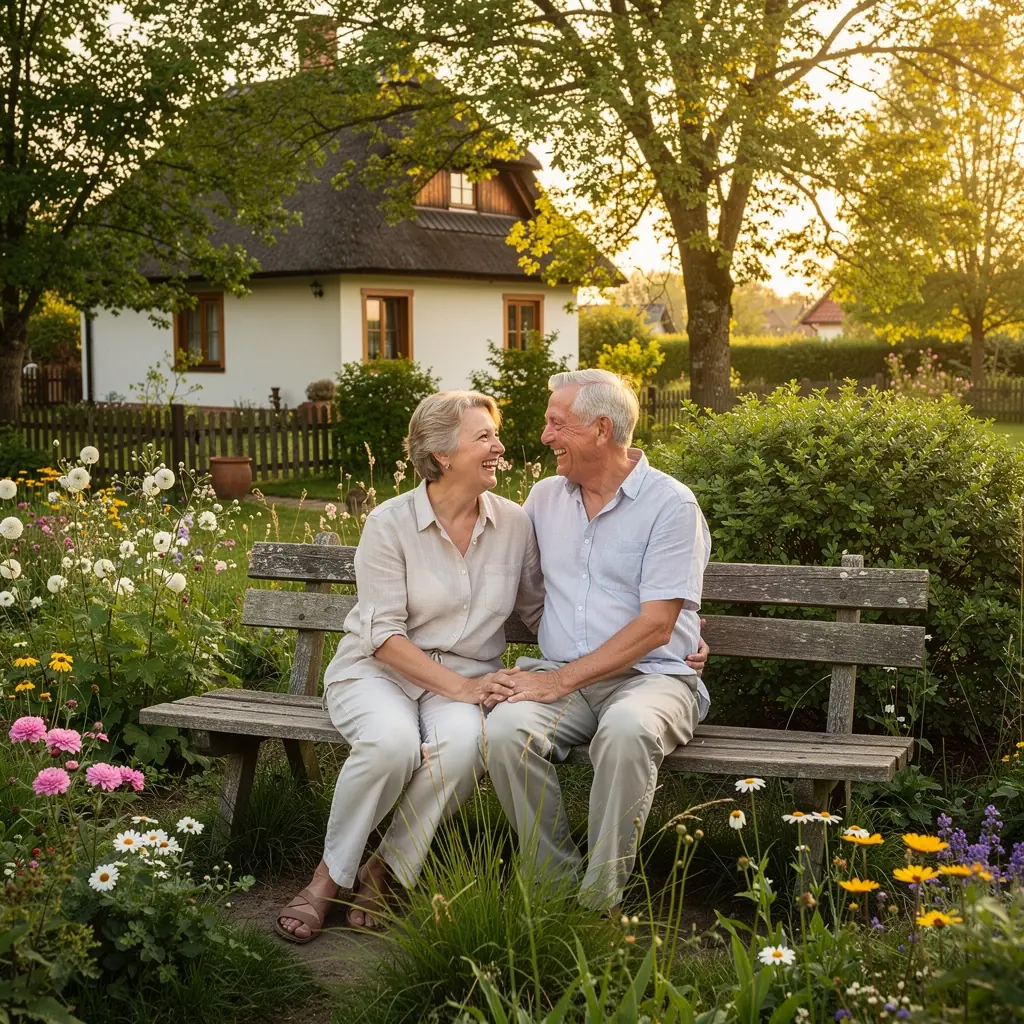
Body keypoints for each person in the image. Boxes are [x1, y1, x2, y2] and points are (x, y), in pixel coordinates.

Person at [276, 390, 542, 942]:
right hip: (378, 673)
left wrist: (660, 640)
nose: (499, 447)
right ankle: (329, 877)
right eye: (484, 437)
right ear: (442, 454)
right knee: (392, 745)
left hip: (460, 682)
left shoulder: (515, 523)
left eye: (496, 434)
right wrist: (465, 688)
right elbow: (383, 638)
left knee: (467, 747)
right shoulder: (389, 522)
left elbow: (544, 613)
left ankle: (387, 869)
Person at [486, 368, 712, 911]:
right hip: (565, 680)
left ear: (601, 429)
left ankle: (599, 901)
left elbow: (658, 625)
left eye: (556, 424)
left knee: (628, 730)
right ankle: (551, 883)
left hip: (653, 678)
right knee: (506, 728)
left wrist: (559, 679)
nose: (545, 437)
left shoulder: (671, 505)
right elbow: (518, 580)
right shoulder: (543, 499)